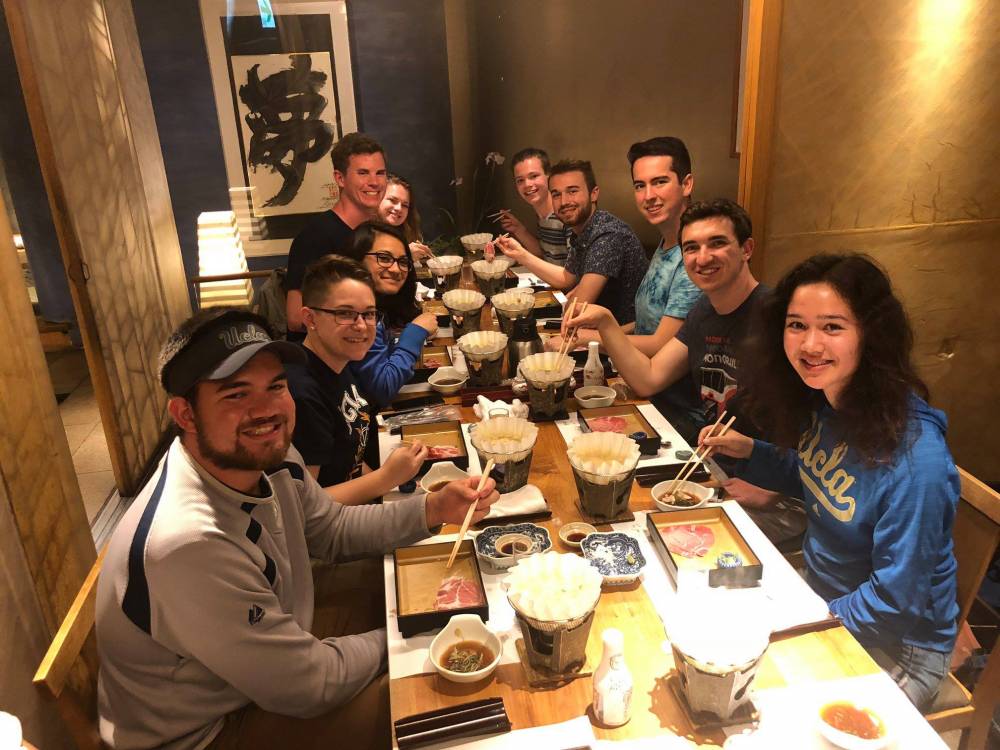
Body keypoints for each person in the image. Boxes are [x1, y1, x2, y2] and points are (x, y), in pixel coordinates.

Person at [96, 307, 499, 750]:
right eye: (235, 395)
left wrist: (435, 508)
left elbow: (332, 530)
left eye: (276, 386)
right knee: (438, 704)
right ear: (185, 414)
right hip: (211, 730)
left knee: (428, 578)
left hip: (262, 664)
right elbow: (309, 685)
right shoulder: (186, 543)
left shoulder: (268, 457)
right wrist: (413, 634)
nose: (266, 410)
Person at [699, 253, 959, 709]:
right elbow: (821, 479)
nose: (810, 345)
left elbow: (893, 604)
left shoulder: (918, 465)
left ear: (870, 335)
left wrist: (799, 622)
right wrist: (749, 451)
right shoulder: (831, 400)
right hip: (817, 588)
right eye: (797, 325)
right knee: (697, 590)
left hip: (898, 644)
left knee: (760, 710)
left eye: (833, 327)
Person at [563, 199, 806, 544]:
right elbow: (649, 378)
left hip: (780, 495)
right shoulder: (703, 311)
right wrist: (606, 323)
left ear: (747, 248)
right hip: (715, 472)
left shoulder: (781, 319)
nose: (702, 258)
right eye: (691, 247)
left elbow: (820, 435)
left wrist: (776, 491)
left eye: (717, 243)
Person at [547, 137, 703, 432]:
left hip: (676, 416)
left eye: (659, 182)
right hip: (642, 389)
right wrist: (595, 335)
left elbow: (660, 344)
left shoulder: (693, 259)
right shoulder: (667, 243)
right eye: (640, 185)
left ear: (687, 184)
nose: (649, 195)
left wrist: (591, 337)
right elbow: (646, 324)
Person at [284, 254, 429, 494]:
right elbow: (304, 508)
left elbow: (350, 460)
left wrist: (388, 488)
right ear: (310, 318)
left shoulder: (338, 362)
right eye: (345, 313)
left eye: (369, 314)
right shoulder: (301, 394)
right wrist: (387, 478)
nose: (361, 326)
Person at [497, 160, 648, 325]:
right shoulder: (583, 230)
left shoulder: (607, 235)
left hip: (623, 337)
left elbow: (576, 309)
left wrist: (570, 301)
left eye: (572, 191)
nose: (563, 202)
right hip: (598, 331)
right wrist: (520, 254)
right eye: (556, 194)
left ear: (594, 193)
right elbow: (566, 278)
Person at [285, 132, 387, 339]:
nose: (374, 182)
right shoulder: (314, 237)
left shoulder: (375, 231)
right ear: (340, 178)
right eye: (363, 173)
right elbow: (296, 318)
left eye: (380, 173)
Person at [338, 222, 439, 407]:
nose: (395, 269)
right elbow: (381, 391)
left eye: (402, 262)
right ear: (357, 259)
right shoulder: (356, 317)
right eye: (384, 258)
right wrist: (415, 334)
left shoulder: (377, 307)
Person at [496, 147, 573, 266]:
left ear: (549, 175)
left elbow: (571, 275)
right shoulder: (542, 215)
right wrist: (519, 229)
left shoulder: (566, 213)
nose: (527, 184)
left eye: (534, 176)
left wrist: (522, 256)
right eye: (520, 180)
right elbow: (544, 255)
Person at [378, 173, 433, 262]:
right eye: (392, 200)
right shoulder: (363, 234)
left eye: (405, 205)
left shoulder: (404, 234)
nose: (399, 208)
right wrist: (405, 256)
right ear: (377, 199)